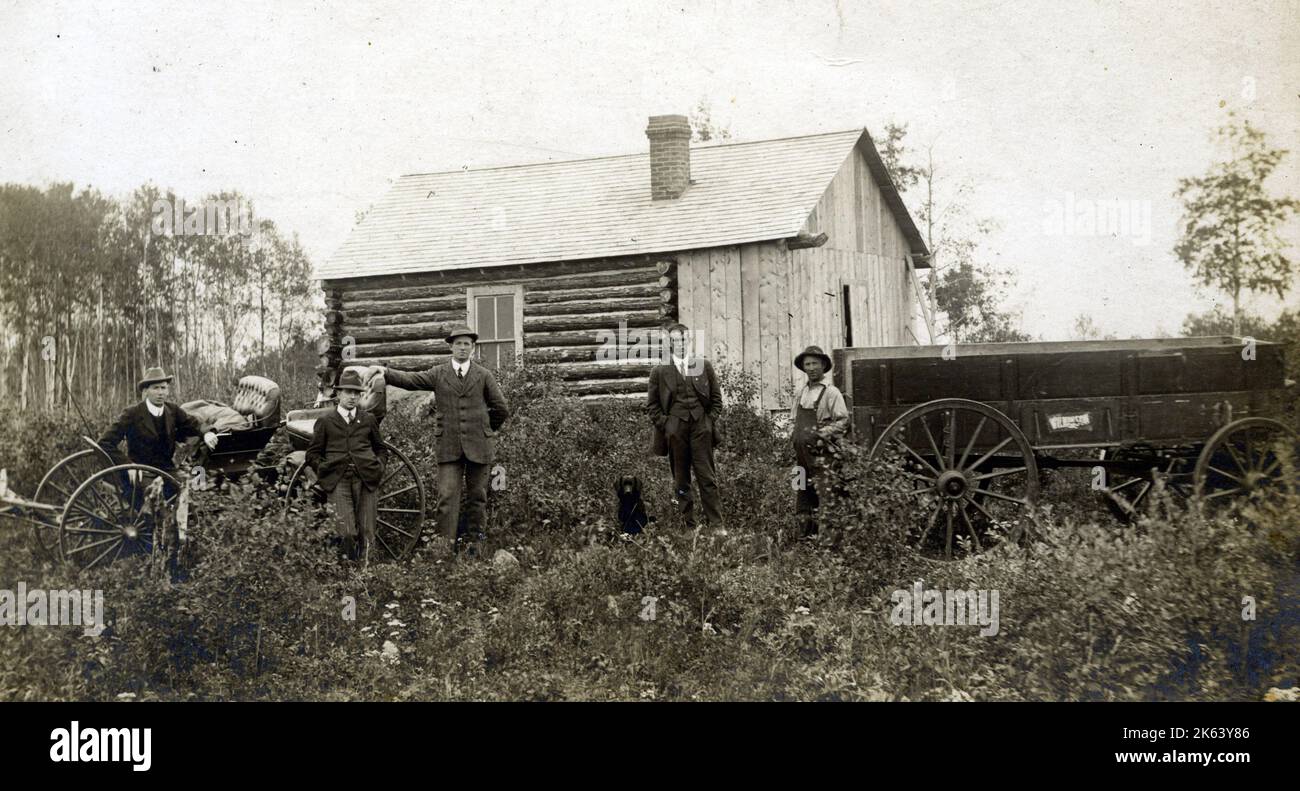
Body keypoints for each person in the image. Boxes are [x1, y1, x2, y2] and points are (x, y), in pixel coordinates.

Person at [378, 324, 510, 556]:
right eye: (458, 344)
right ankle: (443, 551)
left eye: (466, 344)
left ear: (472, 348)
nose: (462, 348)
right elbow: (411, 380)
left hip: (480, 447)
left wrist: (485, 429)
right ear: (451, 347)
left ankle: (474, 547)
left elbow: (501, 409)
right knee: (447, 498)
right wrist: (385, 373)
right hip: (449, 447)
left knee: (478, 497)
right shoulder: (438, 373)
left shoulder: (483, 375)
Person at [647, 323, 724, 531]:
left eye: (682, 340)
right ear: (670, 344)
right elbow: (652, 406)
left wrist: (708, 422)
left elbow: (717, 400)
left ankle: (717, 526)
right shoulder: (660, 370)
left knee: (707, 478)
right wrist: (667, 425)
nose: (679, 344)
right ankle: (688, 527)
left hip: (701, 428)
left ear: (688, 341)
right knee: (681, 480)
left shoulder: (703, 365)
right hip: (676, 431)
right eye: (674, 341)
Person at [305, 369, 387, 563]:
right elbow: (312, 454)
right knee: (346, 532)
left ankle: (366, 574)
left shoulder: (368, 420)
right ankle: (349, 572)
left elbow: (381, 449)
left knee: (367, 531)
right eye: (348, 392)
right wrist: (325, 469)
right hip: (338, 480)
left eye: (356, 393)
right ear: (339, 393)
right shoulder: (326, 421)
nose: (352, 397)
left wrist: (378, 467)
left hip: (366, 479)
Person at [98, 366, 219, 473]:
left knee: (183, 490)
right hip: (141, 473)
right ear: (146, 391)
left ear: (167, 391)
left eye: (163, 388)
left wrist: (207, 433)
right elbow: (104, 443)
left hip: (167, 471)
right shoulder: (132, 414)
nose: (160, 393)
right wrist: (128, 466)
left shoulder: (173, 410)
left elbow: (194, 424)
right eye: (155, 388)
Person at [790, 345, 850, 537]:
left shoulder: (831, 393)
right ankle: (804, 537)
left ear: (823, 365)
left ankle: (826, 542)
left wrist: (821, 435)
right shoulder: (800, 393)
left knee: (824, 493)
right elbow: (793, 420)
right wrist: (793, 435)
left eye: (815, 363)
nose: (811, 367)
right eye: (807, 364)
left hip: (821, 456)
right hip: (800, 458)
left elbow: (842, 421)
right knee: (801, 492)